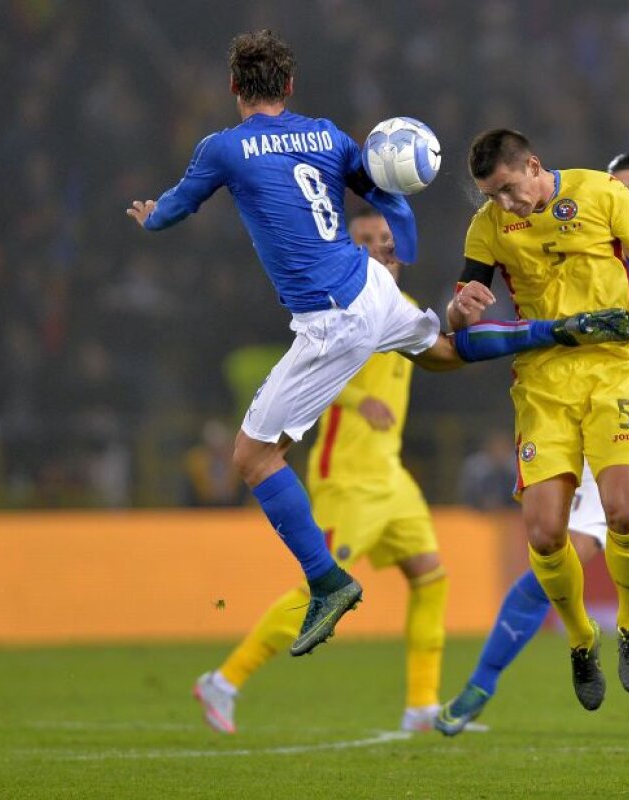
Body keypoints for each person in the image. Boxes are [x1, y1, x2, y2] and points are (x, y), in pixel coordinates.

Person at [126, 33, 629, 658]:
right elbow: (384, 192)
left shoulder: (222, 148)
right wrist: (404, 243)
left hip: (331, 315)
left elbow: (178, 208)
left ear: (234, 88)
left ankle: (328, 583)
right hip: (371, 284)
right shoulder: (327, 135)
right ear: (289, 88)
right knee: (441, 351)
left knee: (253, 456)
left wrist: (151, 215)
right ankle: (557, 331)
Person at [438, 153, 629, 746]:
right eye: (622, 187)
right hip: (584, 423)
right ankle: (480, 686)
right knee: (554, 545)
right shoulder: (587, 249)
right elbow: (477, 309)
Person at [196, 209, 485, 733]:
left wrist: (479, 330)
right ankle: (224, 680)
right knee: (322, 593)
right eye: (368, 240)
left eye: (388, 239)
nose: (382, 247)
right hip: (348, 479)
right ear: (346, 251)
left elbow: (445, 352)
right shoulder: (339, 307)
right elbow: (306, 372)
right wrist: (355, 400)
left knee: (431, 577)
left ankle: (421, 706)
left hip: (390, 479)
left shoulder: (406, 312)